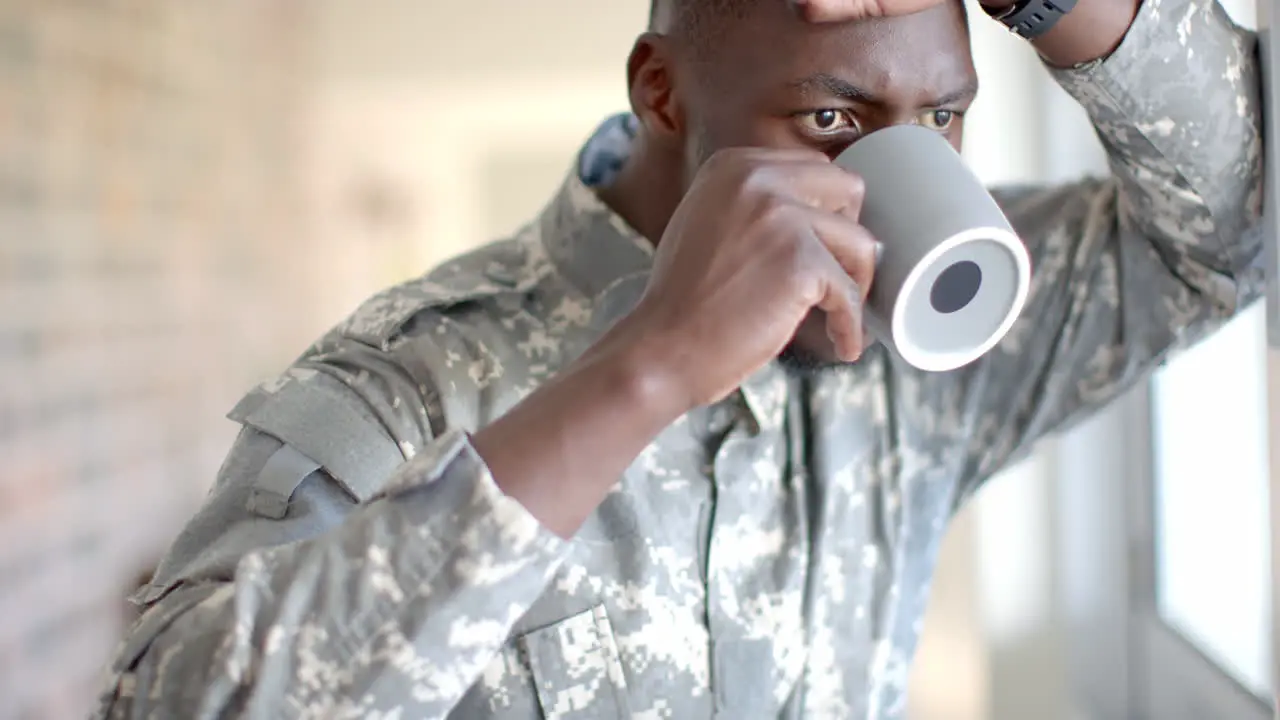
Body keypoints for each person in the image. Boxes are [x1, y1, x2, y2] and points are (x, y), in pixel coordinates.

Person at [94, 0, 1263, 717]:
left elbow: (1243, 232)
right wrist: (643, 367)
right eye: (829, 120)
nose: (896, 174)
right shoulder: (410, 381)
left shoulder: (921, 350)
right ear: (660, 90)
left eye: (943, 115)